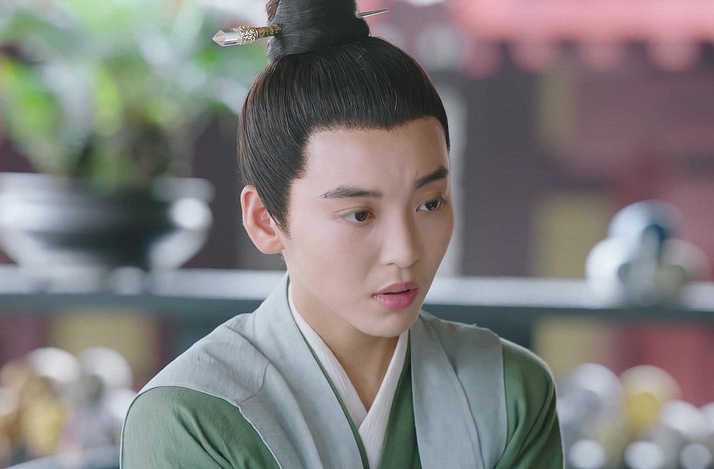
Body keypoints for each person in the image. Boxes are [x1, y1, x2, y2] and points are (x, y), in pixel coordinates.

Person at [120, 0, 564, 467]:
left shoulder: (507, 392)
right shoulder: (191, 416)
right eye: (360, 214)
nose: (405, 251)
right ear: (265, 220)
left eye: (430, 203)